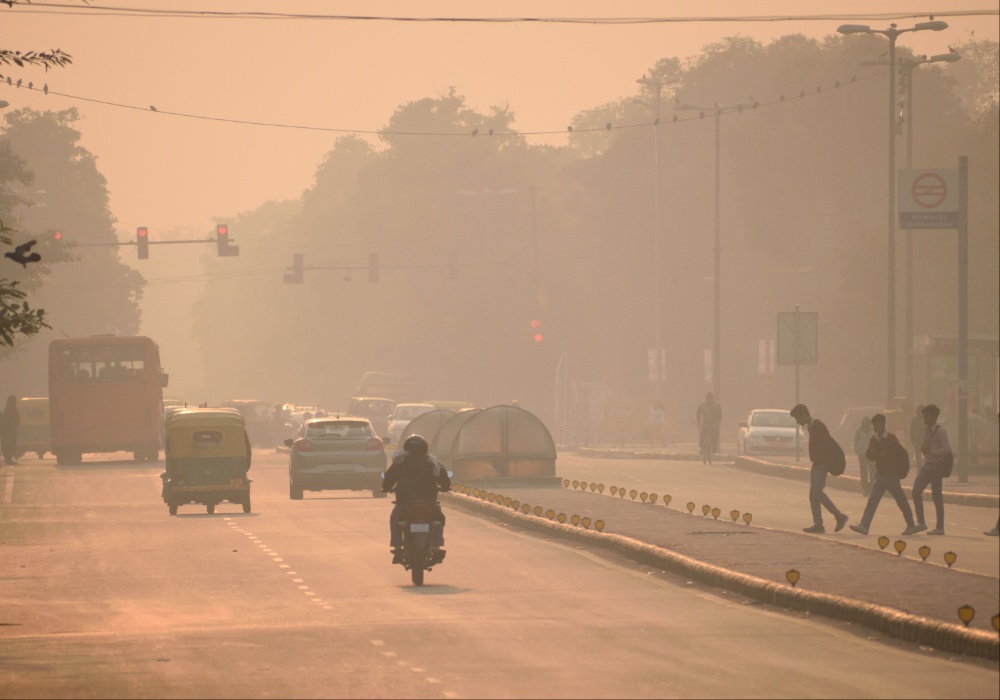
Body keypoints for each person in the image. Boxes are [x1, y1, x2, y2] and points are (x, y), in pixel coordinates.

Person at [381, 434, 451, 564]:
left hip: (405, 501)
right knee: (438, 519)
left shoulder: (399, 462)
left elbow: (388, 479)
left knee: (395, 518)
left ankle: (397, 547)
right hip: (428, 500)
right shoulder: (432, 462)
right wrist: (445, 487)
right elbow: (444, 480)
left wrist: (386, 488)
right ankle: (437, 547)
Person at [849, 414, 919, 536]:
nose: (875, 427)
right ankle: (864, 526)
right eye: (874, 424)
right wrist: (871, 453)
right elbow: (870, 456)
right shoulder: (874, 439)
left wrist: (899, 470)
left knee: (901, 501)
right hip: (880, 475)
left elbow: (898, 454)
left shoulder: (891, 439)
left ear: (883, 424)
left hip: (892, 476)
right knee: (872, 501)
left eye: (877, 424)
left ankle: (911, 525)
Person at [790, 404, 849, 534]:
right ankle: (818, 524)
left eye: (797, 418)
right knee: (812, 495)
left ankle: (839, 516)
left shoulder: (818, 426)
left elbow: (826, 446)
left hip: (822, 463)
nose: (797, 422)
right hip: (817, 463)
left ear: (803, 415)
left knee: (817, 492)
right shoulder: (812, 426)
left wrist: (823, 463)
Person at [911, 403, 952, 535]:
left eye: (927, 417)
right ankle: (921, 522)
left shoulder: (940, 431)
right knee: (916, 491)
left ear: (934, 417)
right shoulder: (927, 430)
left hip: (936, 466)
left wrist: (931, 451)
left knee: (936, 497)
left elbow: (945, 449)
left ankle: (940, 527)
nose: (925, 419)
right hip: (927, 464)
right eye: (924, 416)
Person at [696, 393, 722, 463]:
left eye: (710, 399)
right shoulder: (702, 405)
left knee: (714, 437)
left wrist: (717, 423)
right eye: (707, 399)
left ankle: (714, 449)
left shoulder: (716, 406)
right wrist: (699, 422)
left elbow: (719, 416)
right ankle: (702, 448)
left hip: (713, 425)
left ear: (712, 399)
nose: (708, 400)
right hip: (705, 424)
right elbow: (698, 414)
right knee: (702, 436)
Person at [854, 415, 874, 496]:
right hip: (862, 454)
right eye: (864, 423)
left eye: (867, 423)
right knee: (863, 472)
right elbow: (856, 441)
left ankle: (871, 487)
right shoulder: (859, 431)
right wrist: (857, 450)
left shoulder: (872, 431)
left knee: (872, 472)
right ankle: (866, 489)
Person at [0, 395, 20, 465]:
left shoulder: (7, 411)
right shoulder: (11, 411)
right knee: (9, 445)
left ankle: (8, 458)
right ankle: (8, 459)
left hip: (7, 432)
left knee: (8, 445)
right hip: (9, 432)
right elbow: (17, 421)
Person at [909, 404, 925, 468]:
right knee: (919, 461)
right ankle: (919, 475)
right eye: (920, 411)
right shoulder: (915, 420)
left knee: (927, 460)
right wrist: (913, 442)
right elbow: (911, 432)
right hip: (918, 442)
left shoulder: (927, 420)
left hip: (926, 442)